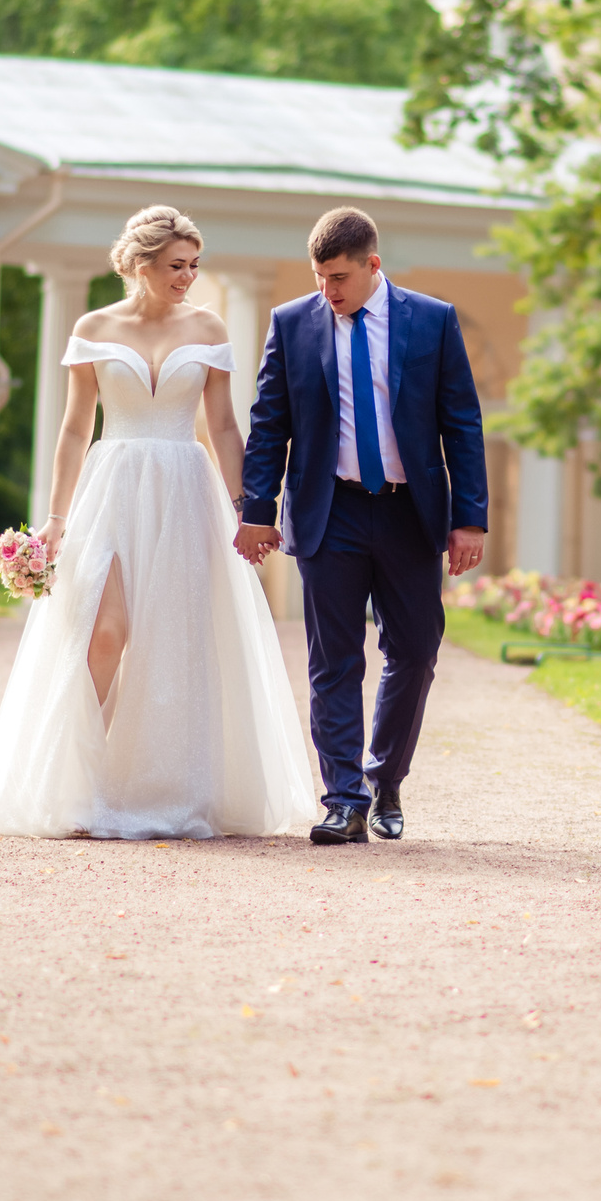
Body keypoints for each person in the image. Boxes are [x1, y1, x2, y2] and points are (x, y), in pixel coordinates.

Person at [0, 206, 309, 841]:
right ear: (141, 264)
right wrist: (56, 520)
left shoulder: (207, 326)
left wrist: (246, 508)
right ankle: (75, 784)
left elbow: (226, 425)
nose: (188, 277)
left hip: (184, 489)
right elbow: (73, 428)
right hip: (112, 486)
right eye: (177, 266)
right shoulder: (94, 327)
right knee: (105, 633)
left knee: (174, 644)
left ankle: (165, 788)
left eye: (194, 265)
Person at [236, 207, 489, 844]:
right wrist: (256, 513)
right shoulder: (292, 325)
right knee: (334, 662)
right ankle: (344, 800)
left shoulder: (432, 320)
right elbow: (269, 427)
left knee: (415, 650)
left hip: (410, 513)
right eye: (320, 276)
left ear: (374, 264)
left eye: (340, 277)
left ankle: (385, 779)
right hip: (331, 511)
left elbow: (462, 424)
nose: (329, 290)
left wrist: (470, 520)